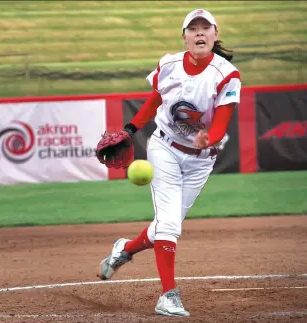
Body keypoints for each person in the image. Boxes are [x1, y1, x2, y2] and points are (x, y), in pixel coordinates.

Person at [96, 8, 241, 317]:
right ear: (185, 37)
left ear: (215, 36)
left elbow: (221, 123)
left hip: (201, 161)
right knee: (171, 225)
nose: (200, 33)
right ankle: (168, 296)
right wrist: (130, 130)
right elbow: (154, 100)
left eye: (206, 28)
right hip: (165, 148)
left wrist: (210, 139)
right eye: (194, 28)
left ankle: (124, 249)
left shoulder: (227, 74)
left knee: (165, 224)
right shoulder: (169, 64)